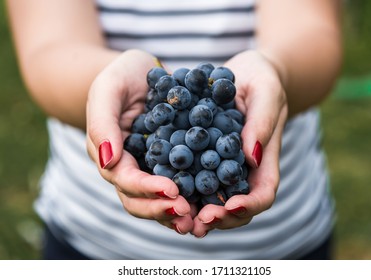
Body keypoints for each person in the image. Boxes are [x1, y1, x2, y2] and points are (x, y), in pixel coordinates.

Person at [6, 0, 342, 259]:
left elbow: (313, 34)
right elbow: (47, 50)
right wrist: (105, 83)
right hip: (94, 237)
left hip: (283, 238)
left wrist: (276, 72)